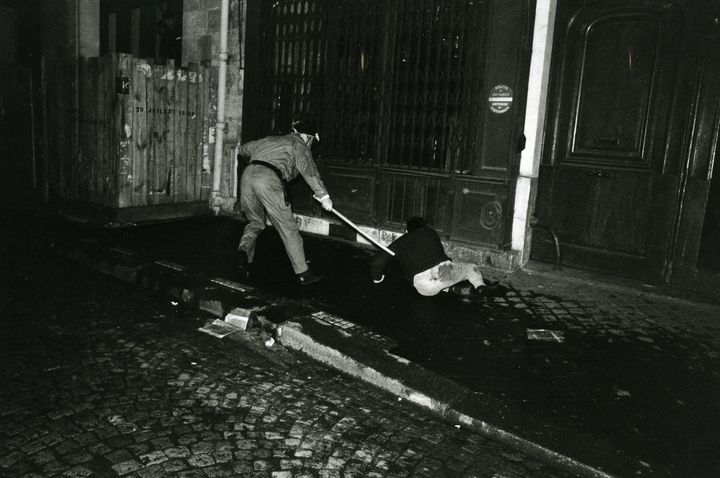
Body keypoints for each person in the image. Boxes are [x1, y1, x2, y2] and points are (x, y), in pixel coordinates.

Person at [236, 120, 332, 285]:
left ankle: (244, 250)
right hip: (268, 179)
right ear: (307, 137)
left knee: (255, 221)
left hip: (247, 176)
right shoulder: (299, 145)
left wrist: (256, 164)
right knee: (288, 228)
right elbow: (310, 172)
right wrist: (324, 196)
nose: (310, 145)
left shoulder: (271, 140)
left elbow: (242, 149)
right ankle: (304, 274)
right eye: (311, 141)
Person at [369, 217, 488, 297]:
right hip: (442, 273)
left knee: (438, 280)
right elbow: (442, 257)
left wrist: (377, 278)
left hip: (423, 287)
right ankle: (480, 286)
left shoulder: (401, 241)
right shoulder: (431, 233)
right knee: (471, 268)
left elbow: (377, 262)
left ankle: (454, 290)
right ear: (423, 226)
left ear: (407, 230)